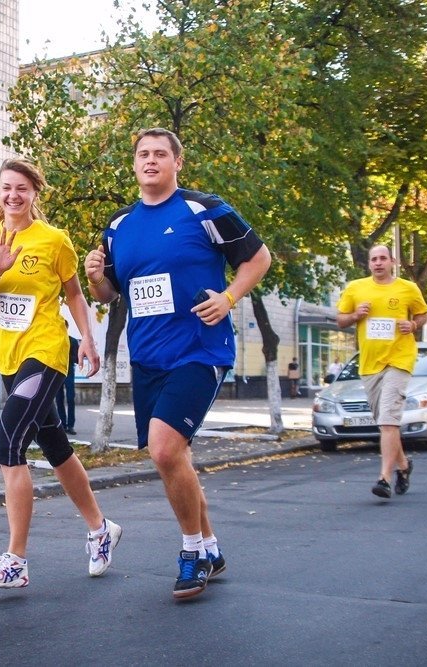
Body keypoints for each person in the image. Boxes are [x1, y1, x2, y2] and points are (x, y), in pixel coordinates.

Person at [84, 128, 271, 600]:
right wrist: (94, 280)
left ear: (176, 163)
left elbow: (258, 258)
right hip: (147, 357)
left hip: (199, 350)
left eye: (160, 154)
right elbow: (111, 295)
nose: (151, 161)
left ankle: (191, 553)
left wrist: (229, 297)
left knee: (165, 450)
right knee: (173, 456)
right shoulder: (119, 225)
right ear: (134, 164)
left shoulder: (203, 209)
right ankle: (211, 546)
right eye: (143, 154)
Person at [0, 158, 121, 589]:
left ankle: (16, 560)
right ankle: (101, 528)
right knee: (55, 447)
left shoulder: (54, 240)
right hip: (9, 358)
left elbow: (75, 295)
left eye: (22, 189)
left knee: (8, 444)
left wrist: (87, 339)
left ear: (34, 194)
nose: (13, 195)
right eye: (6, 188)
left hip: (46, 350)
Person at [336, 245, 427, 499]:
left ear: (392, 261)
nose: (378, 263)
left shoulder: (408, 289)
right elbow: (341, 320)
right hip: (369, 363)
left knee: (388, 420)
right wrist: (356, 315)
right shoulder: (356, 288)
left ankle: (384, 478)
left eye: (382, 258)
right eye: (374, 259)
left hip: (399, 359)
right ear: (369, 264)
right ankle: (404, 466)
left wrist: (412, 324)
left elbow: (423, 315)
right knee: (386, 423)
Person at [55, 335, 79, 435]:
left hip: (69, 372)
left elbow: (76, 358)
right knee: (59, 399)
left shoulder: (72, 341)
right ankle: (62, 425)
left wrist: (65, 356)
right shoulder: (54, 340)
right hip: (57, 372)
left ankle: (71, 425)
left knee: (70, 398)